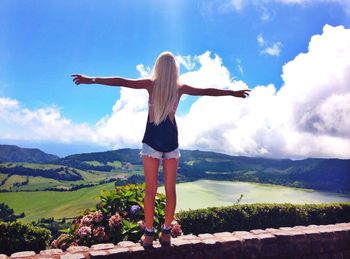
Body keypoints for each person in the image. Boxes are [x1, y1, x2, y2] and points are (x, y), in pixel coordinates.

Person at [71, 51, 250, 248]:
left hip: (151, 142)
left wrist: (92, 79)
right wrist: (232, 93)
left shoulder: (151, 84)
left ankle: (148, 235)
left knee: (150, 191)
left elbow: (121, 81)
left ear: (158, 67)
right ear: (174, 69)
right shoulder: (179, 88)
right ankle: (166, 233)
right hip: (172, 142)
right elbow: (207, 91)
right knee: (171, 191)